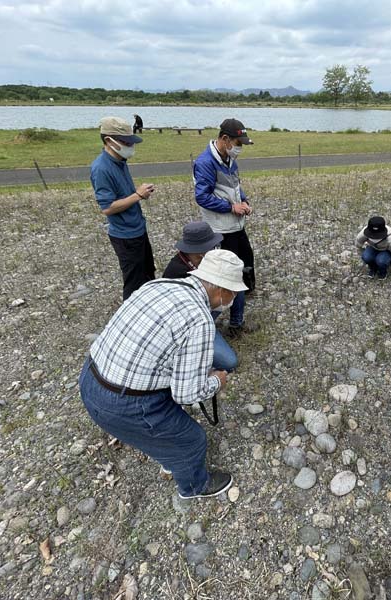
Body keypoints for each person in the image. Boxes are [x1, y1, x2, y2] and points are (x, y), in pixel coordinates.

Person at [79, 249, 248, 499]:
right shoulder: (199, 319)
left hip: (90, 378)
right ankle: (194, 487)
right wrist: (215, 381)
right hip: (123, 402)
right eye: (234, 292)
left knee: (165, 425)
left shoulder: (160, 285)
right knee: (192, 440)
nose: (233, 298)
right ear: (221, 290)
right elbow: (187, 394)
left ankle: (162, 449)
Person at [193, 118, 256, 338]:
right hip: (220, 228)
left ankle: (240, 307)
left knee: (246, 262)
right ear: (225, 139)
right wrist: (231, 207)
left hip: (236, 224)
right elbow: (201, 197)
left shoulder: (230, 159)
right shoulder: (205, 162)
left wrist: (244, 201)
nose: (240, 148)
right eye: (238, 143)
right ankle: (221, 323)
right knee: (229, 273)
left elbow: (236, 187)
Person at [90, 116, 156, 301]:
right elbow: (107, 208)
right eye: (126, 142)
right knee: (134, 281)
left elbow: (122, 195)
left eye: (131, 141)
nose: (130, 145)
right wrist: (138, 195)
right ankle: (132, 318)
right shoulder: (102, 168)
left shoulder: (120, 161)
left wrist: (138, 193)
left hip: (138, 228)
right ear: (109, 141)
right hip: (125, 235)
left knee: (148, 274)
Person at [163, 221, 238, 372]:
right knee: (230, 363)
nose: (215, 249)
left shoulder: (207, 258)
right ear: (199, 252)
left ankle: (236, 325)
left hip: (206, 309)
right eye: (211, 246)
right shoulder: (176, 272)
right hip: (188, 323)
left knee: (236, 282)